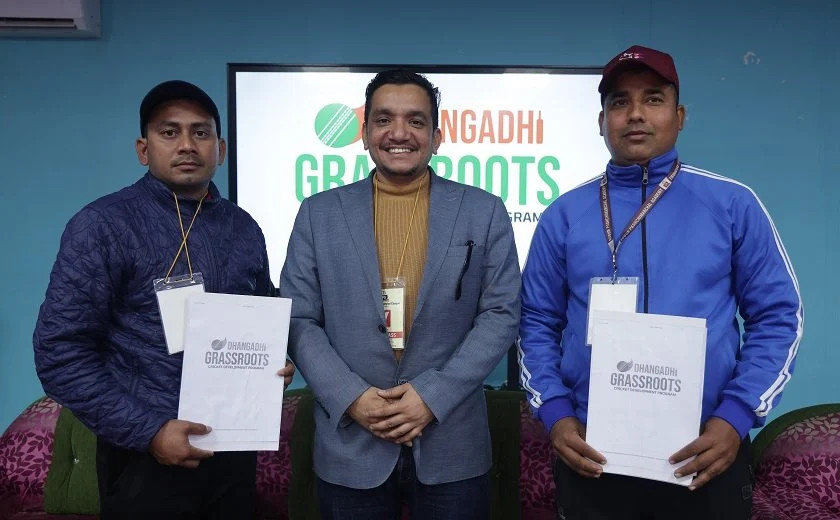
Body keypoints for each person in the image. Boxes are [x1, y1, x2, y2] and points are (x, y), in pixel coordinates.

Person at [519, 45, 802, 519]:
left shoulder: (732, 204)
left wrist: (735, 417)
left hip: (707, 453)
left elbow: (779, 318)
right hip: (593, 455)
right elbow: (535, 324)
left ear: (680, 116)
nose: (635, 114)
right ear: (601, 121)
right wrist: (556, 415)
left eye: (653, 99)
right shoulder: (563, 216)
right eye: (619, 102)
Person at [33, 80, 295, 519]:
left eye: (200, 132)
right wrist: (149, 431)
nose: (187, 145)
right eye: (169, 132)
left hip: (232, 451)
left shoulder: (244, 228)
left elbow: (264, 314)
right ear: (143, 149)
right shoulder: (102, 225)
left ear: (220, 149)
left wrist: (274, 363)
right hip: (143, 457)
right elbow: (59, 352)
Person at [280, 69, 520, 519]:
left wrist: (433, 397)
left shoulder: (484, 211)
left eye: (415, 120)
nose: (399, 133)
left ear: (437, 136)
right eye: (384, 119)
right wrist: (353, 397)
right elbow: (298, 318)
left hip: (452, 443)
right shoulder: (318, 213)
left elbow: (502, 313)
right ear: (365, 133)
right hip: (351, 442)